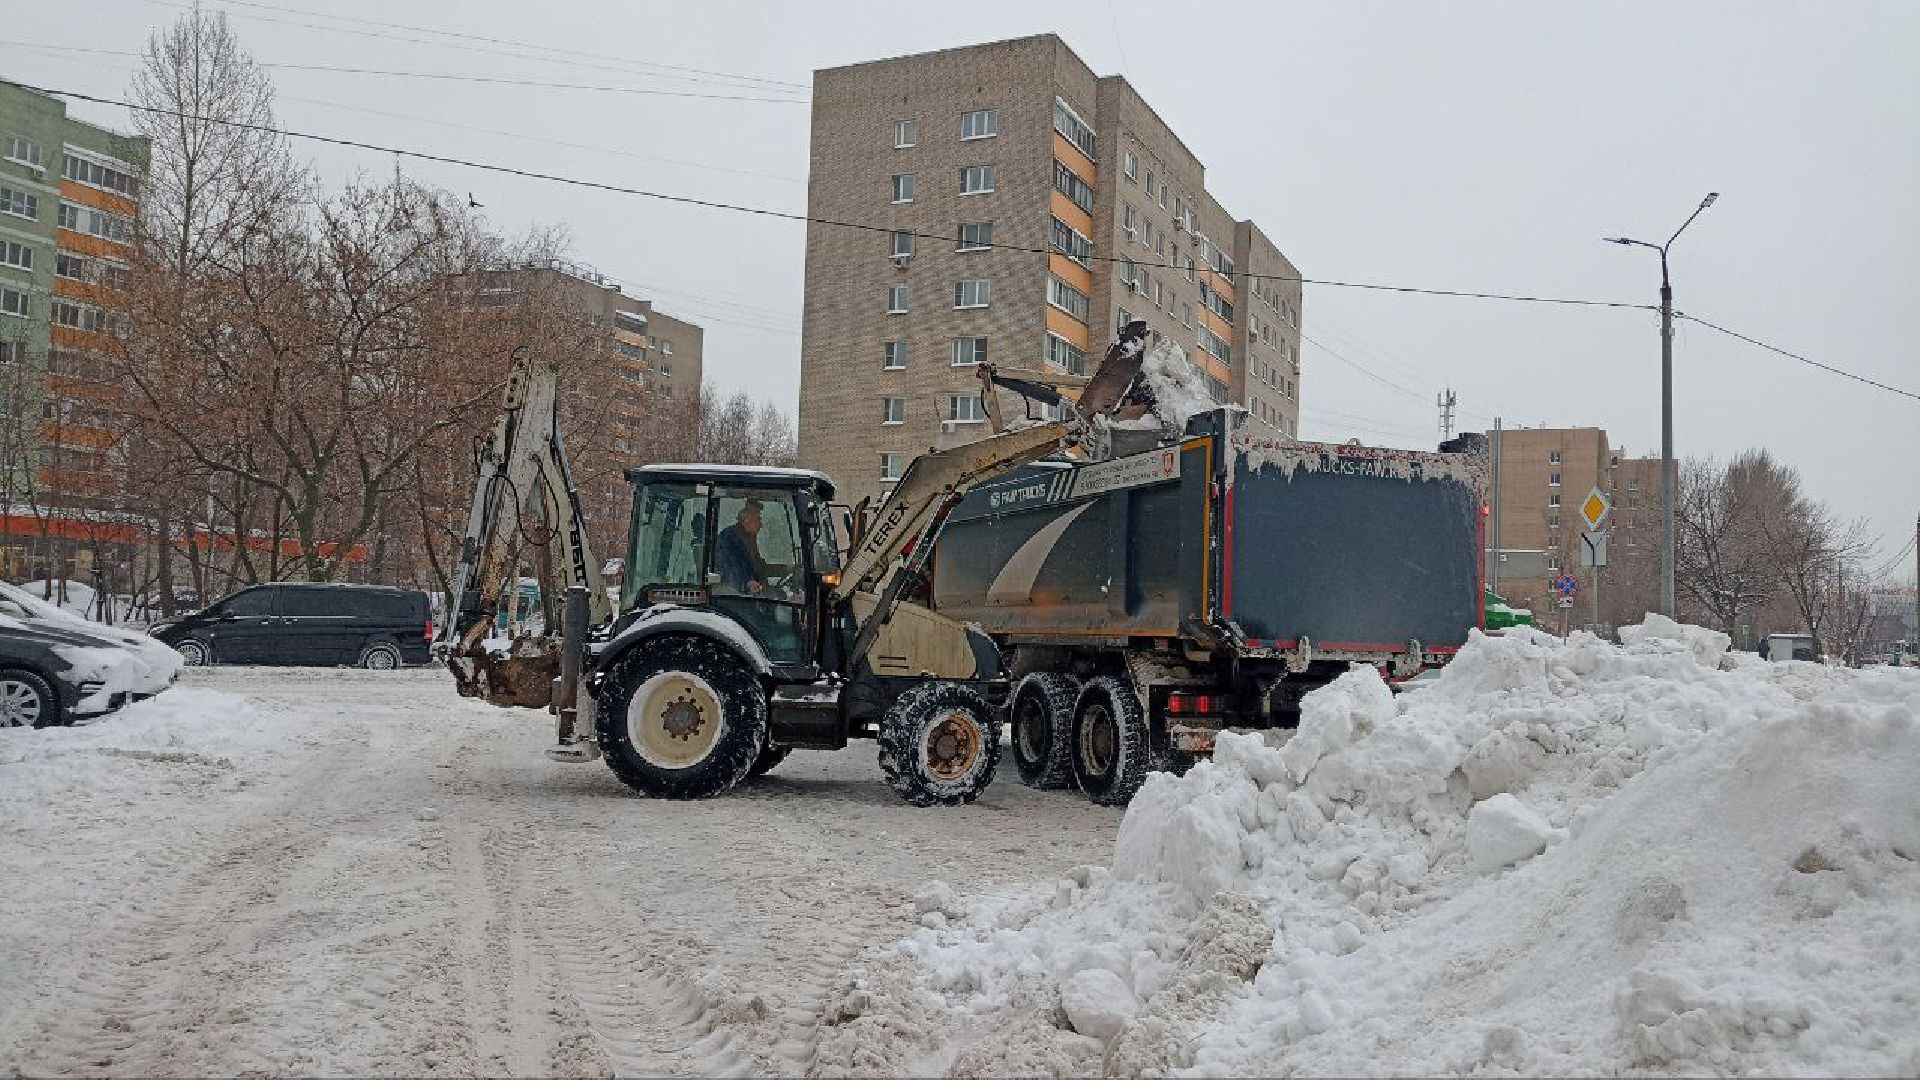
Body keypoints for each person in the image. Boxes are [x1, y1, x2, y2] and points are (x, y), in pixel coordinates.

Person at [713, 499, 789, 594]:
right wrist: (746, 584)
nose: (761, 525)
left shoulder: (747, 538)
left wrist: (786, 569)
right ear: (746, 520)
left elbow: (759, 568)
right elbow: (726, 570)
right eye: (758, 519)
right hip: (738, 595)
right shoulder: (729, 540)